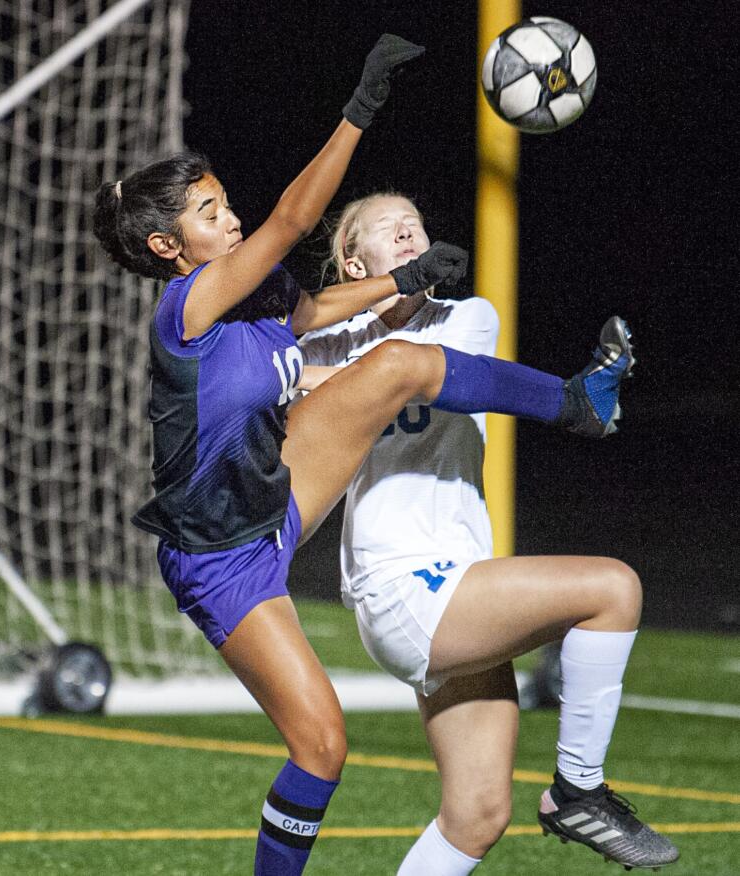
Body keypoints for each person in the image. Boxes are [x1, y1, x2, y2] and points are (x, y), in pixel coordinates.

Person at [92, 34, 634, 876]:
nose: (230, 218)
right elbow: (294, 223)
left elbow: (313, 307)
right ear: (168, 248)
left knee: (400, 363)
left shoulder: (256, 298)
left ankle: (577, 402)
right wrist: (359, 109)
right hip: (219, 555)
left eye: (224, 203)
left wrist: (402, 281)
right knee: (321, 748)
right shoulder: (188, 306)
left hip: (275, 493)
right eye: (209, 214)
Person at [298, 191, 678, 873]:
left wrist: (299, 377)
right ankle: (577, 790)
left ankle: (573, 793)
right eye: (391, 232)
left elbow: (401, 378)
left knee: (475, 817)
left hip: (456, 583)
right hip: (402, 586)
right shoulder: (323, 338)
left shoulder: (467, 319)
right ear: (356, 265)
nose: (412, 238)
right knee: (612, 588)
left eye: (417, 226)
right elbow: (302, 363)